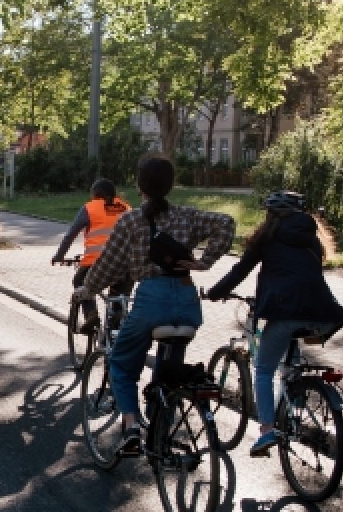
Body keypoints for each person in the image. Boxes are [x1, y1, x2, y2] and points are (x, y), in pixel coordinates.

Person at [74, 155, 235, 455]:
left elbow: (108, 266)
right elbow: (226, 224)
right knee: (169, 370)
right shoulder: (187, 217)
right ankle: (162, 422)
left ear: (140, 186)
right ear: (171, 185)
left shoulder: (131, 221)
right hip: (187, 303)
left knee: (122, 363)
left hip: (151, 300)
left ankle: (132, 427)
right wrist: (204, 262)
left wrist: (87, 289)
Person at [205, 191, 343, 456]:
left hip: (286, 311)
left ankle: (266, 431)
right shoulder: (312, 241)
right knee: (291, 351)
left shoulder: (267, 239)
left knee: (263, 370)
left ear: (270, 216)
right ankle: (295, 396)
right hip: (323, 314)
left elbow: (240, 271)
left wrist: (214, 292)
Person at [52, 179, 133, 334]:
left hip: (95, 263)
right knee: (118, 301)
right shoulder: (127, 208)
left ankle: (91, 314)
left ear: (95, 194)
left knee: (79, 281)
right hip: (125, 265)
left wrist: (59, 256)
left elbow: (70, 235)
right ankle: (114, 336)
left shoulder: (90, 208)